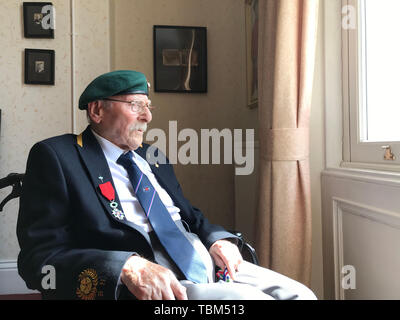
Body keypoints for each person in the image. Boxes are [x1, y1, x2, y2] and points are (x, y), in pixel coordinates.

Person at [17, 70, 316, 300]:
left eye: (148, 107)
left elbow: (188, 215)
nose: (147, 117)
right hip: (155, 280)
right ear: (97, 111)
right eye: (135, 106)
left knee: (302, 294)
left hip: (209, 263)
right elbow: (39, 259)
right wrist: (126, 267)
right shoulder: (57, 156)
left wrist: (216, 239)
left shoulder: (152, 155)